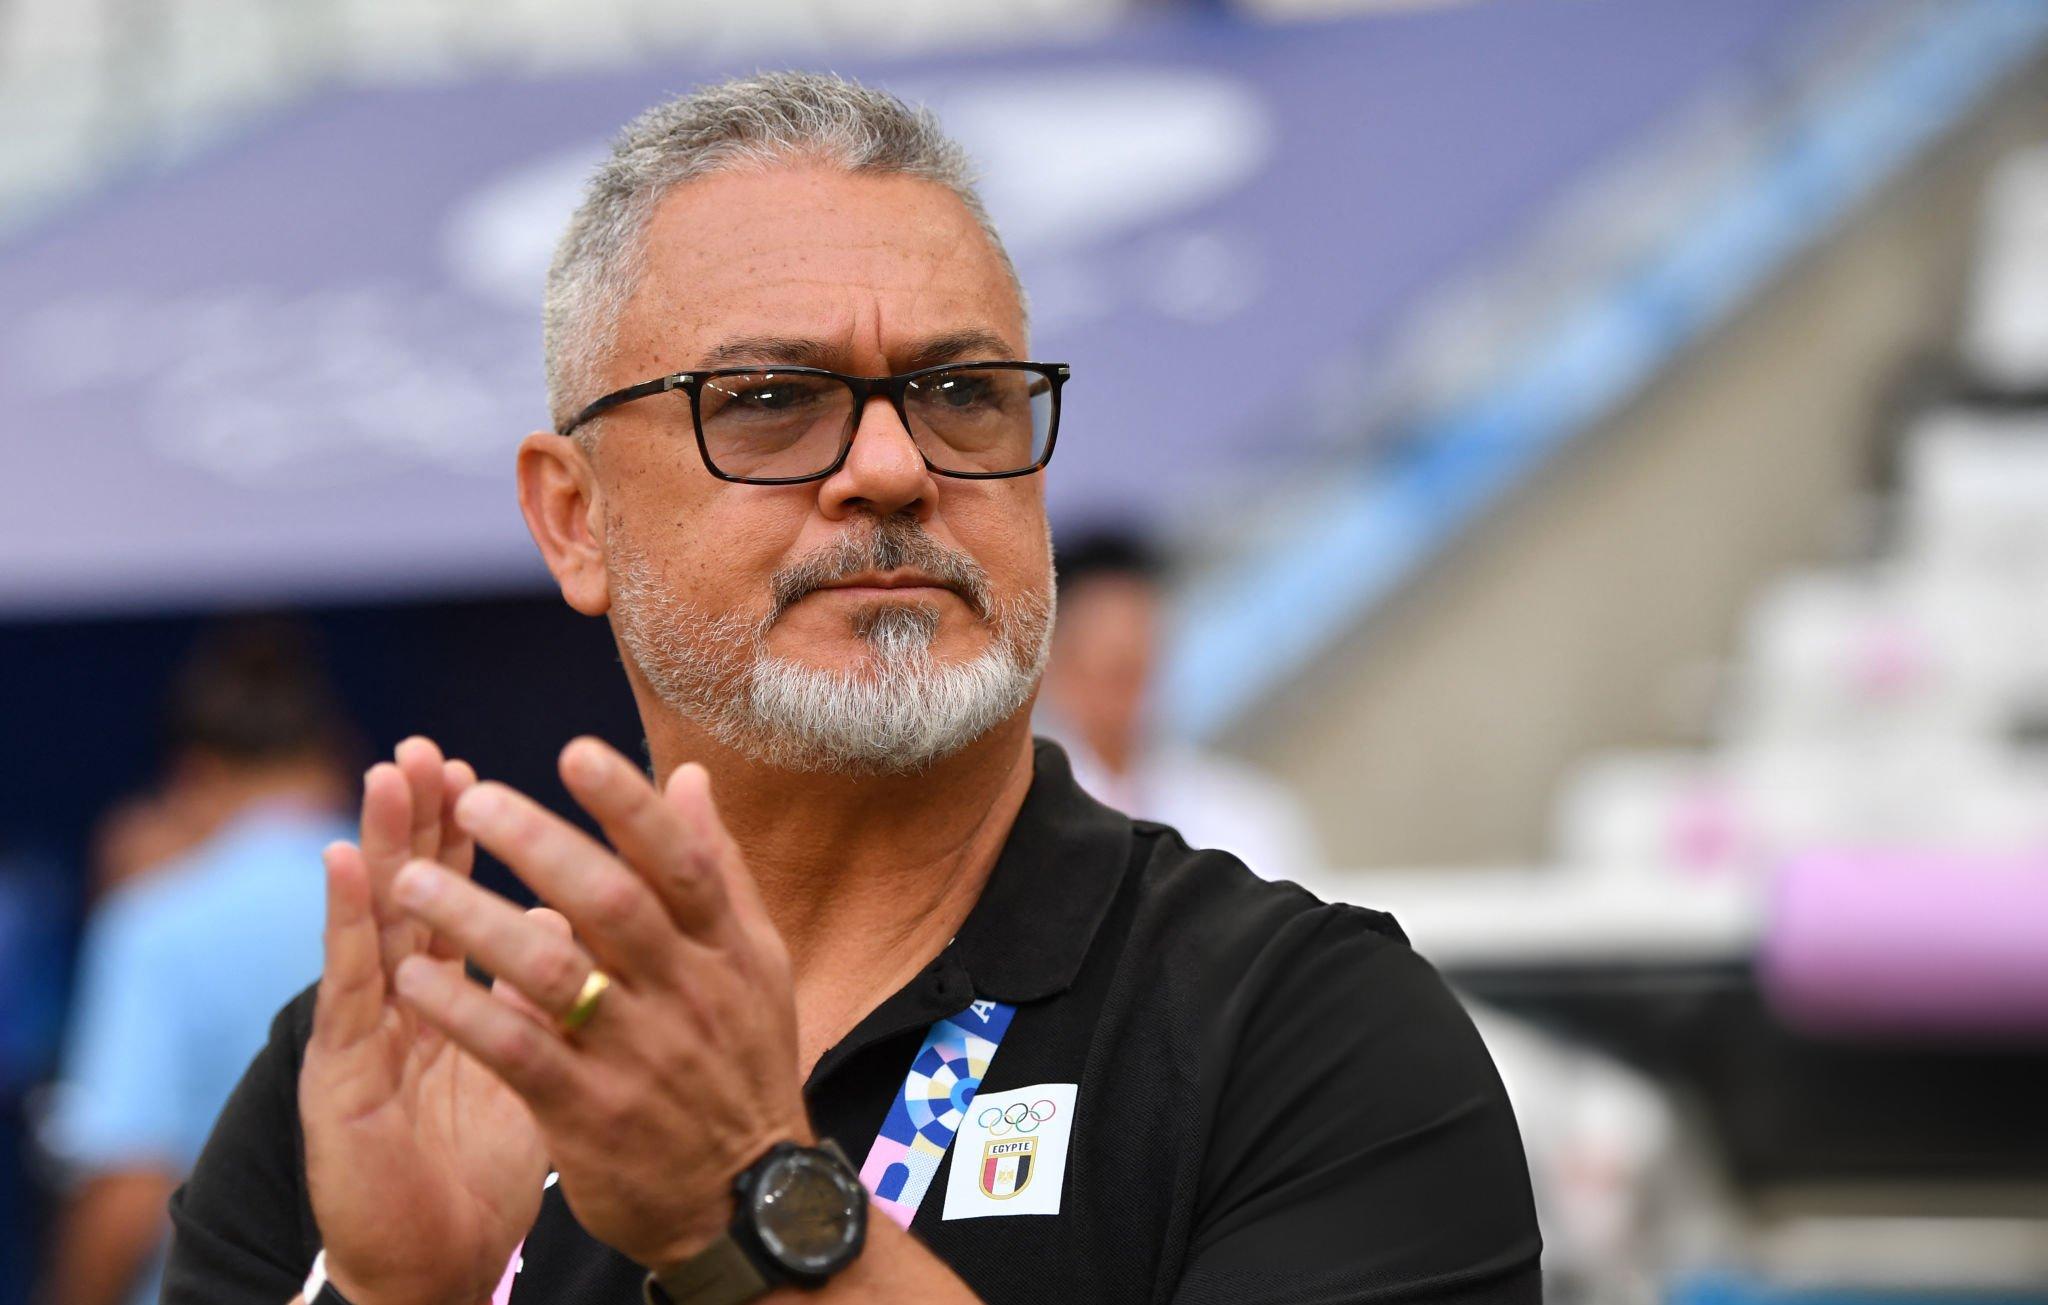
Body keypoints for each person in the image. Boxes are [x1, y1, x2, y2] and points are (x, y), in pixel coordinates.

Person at [164, 73, 1541, 1305]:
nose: (891, 467)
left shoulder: (1299, 1034)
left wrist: (746, 1213)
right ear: (574, 518)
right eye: (771, 398)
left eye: (963, 392)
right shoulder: (402, 1058)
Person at [41, 620, 356, 1305]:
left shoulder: (155, 920)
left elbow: (127, 1187)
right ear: (332, 756)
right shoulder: (426, 900)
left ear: (192, 776)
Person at [1038, 528, 1325, 884]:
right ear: (1052, 664)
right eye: (1111, 670)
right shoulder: (1020, 822)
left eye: (1138, 668)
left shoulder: (1248, 815)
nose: (1128, 694)